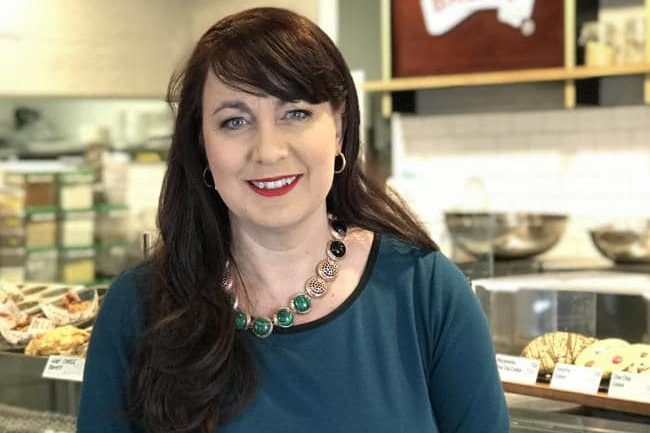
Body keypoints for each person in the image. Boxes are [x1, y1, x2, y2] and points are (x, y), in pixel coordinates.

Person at [77, 7, 509, 433]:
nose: (268, 150)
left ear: (338, 127)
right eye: (234, 121)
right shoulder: (139, 307)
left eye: (296, 113)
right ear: (201, 143)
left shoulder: (425, 292)